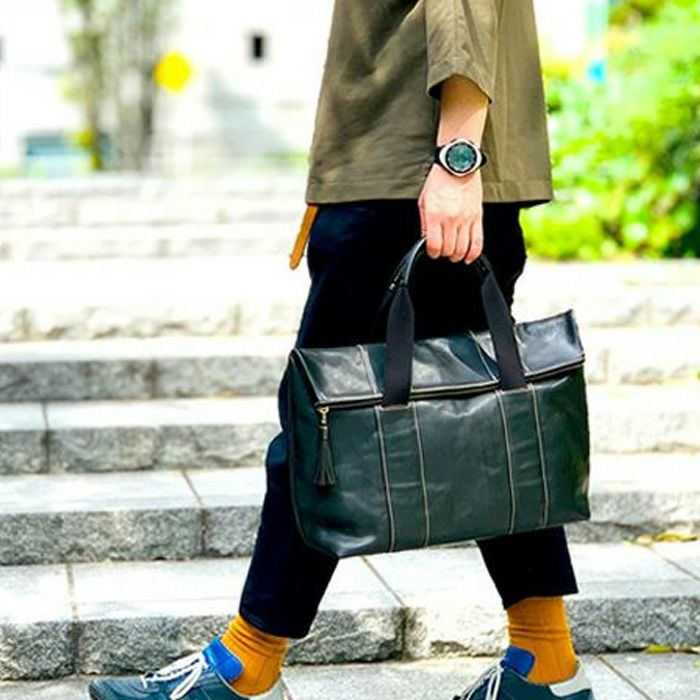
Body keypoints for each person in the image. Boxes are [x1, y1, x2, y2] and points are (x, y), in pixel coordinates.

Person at [88, 2, 597, 699]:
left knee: (322, 423)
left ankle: (247, 663)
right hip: (411, 173)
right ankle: (545, 660)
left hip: (407, 179)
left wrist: (456, 160)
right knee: (498, 425)